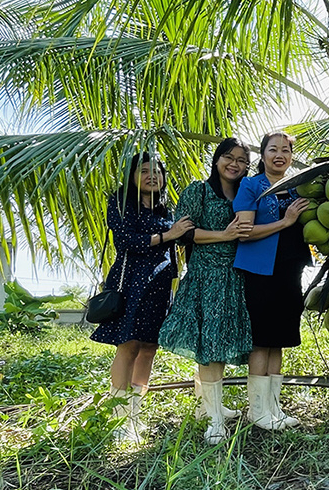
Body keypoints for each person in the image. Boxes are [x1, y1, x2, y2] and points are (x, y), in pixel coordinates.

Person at [159, 138, 255, 444]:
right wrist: (223, 234)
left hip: (236, 276)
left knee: (222, 341)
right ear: (217, 160)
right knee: (210, 344)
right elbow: (183, 233)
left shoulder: (247, 193)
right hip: (206, 276)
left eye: (242, 160)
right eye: (229, 157)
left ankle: (211, 406)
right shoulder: (197, 191)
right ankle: (214, 419)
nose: (235, 164)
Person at [92, 154, 194, 441]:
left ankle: (134, 415)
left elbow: (179, 239)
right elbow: (126, 241)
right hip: (131, 283)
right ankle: (118, 418)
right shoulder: (122, 204)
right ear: (133, 176)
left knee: (149, 347)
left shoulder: (167, 210)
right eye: (145, 171)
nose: (152, 176)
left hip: (160, 286)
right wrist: (167, 235)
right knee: (128, 345)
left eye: (157, 172)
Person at [233, 131, 311, 431]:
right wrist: (285, 221)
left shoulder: (298, 189)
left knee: (279, 340)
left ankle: (273, 409)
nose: (279, 155)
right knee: (261, 341)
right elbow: (244, 230)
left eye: (285, 151)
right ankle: (257, 411)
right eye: (273, 149)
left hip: (290, 270)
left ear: (291, 157)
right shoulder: (250, 186)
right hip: (259, 271)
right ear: (263, 155)